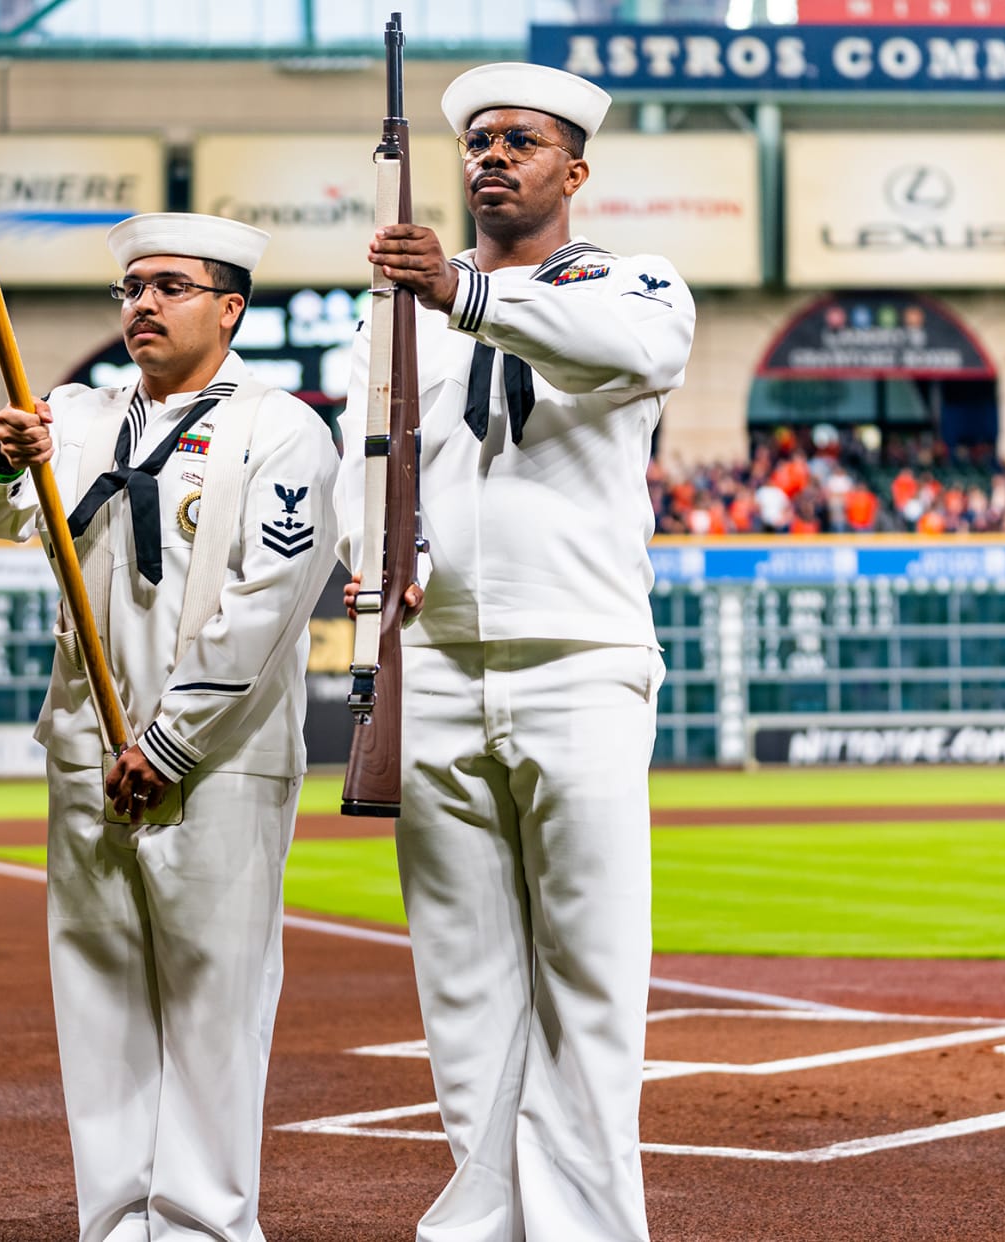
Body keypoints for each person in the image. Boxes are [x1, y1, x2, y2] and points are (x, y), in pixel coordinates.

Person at [334, 63, 694, 1242]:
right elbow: (365, 460)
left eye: (522, 142)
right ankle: (480, 1226)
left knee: (590, 983)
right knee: (466, 991)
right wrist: (376, 570)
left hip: (580, 661)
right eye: (479, 142)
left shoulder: (636, 284)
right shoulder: (390, 315)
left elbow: (623, 357)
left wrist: (460, 294)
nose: (493, 155)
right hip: (433, 666)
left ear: (573, 171)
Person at [0, 213, 338, 1242]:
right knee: (99, 1005)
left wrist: (170, 740)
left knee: (214, 1005)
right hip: (86, 750)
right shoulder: (75, 418)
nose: (145, 305)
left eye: (170, 286)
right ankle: (117, 1220)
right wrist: (0, 461)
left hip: (214, 764)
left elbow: (270, 596)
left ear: (230, 306)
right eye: (131, 289)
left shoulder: (282, 426)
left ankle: (209, 1225)